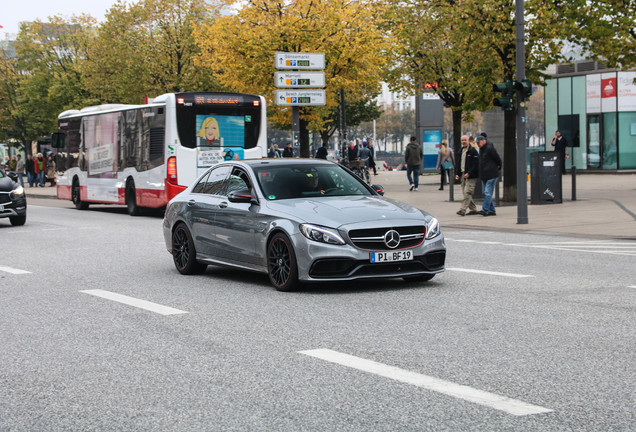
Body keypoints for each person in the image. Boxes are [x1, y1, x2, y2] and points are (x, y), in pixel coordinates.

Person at [476, 135, 501, 216]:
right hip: (484, 175)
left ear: (483, 141)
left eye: (478, 143)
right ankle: (492, 210)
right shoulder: (481, 149)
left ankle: (485, 209)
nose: (477, 144)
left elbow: (497, 158)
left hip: (491, 174)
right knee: (486, 193)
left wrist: (499, 166)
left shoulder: (489, 148)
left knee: (487, 193)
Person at [455, 135, 479, 216]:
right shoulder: (460, 151)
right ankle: (473, 209)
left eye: (465, 140)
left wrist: (469, 173)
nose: (463, 141)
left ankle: (462, 210)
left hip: (471, 176)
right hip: (462, 174)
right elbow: (458, 163)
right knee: (465, 193)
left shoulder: (473, 151)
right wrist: (457, 174)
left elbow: (475, 164)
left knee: (467, 192)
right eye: (462, 140)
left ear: (468, 141)